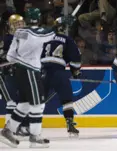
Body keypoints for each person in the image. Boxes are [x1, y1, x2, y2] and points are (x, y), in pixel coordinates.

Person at [0, 8, 55, 148]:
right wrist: (58, 25)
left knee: (24, 104)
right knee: (38, 104)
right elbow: (49, 35)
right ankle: (35, 135)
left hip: (21, 70)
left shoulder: (19, 34)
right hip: (30, 70)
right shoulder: (33, 33)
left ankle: (8, 130)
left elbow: (10, 57)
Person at [41, 16, 81, 136]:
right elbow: (76, 59)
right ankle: (70, 123)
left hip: (43, 71)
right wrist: (75, 72)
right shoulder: (67, 39)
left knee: (38, 100)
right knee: (67, 100)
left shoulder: (43, 38)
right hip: (59, 72)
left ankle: (29, 125)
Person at [1, 14, 30, 137]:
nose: (20, 26)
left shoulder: (28, 38)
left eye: (21, 23)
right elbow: (3, 57)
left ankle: (23, 125)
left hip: (22, 73)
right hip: (9, 73)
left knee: (25, 101)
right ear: (11, 26)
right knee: (12, 101)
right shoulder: (7, 39)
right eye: (17, 24)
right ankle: (10, 128)